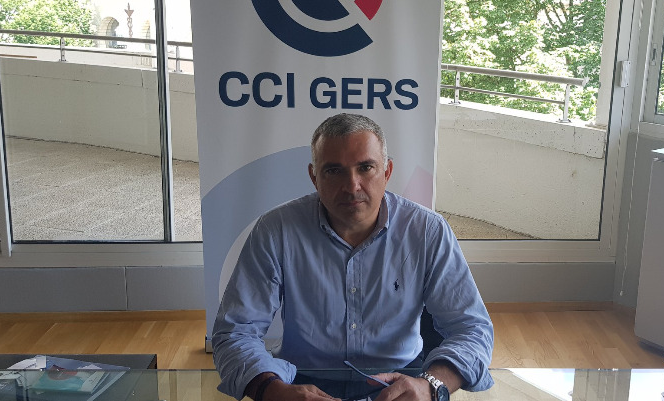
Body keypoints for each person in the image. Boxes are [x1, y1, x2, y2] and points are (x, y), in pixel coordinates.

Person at [212, 113, 494, 401]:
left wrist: (431, 385)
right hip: (300, 382)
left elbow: (472, 328)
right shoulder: (276, 230)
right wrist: (272, 391)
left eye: (366, 168)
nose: (352, 186)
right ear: (314, 177)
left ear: (387, 172)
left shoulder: (427, 231)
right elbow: (235, 331)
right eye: (334, 170)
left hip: (404, 382)